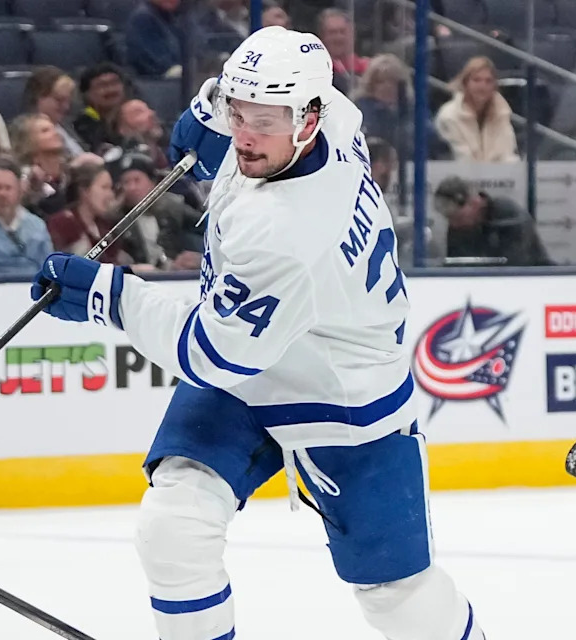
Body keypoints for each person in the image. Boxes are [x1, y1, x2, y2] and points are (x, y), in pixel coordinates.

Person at [28, 27, 485, 640]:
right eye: (240, 113)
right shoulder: (335, 117)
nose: (244, 134)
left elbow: (212, 355)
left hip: (340, 393)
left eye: (263, 120)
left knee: (397, 596)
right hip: (260, 360)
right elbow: (235, 108)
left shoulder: (289, 236)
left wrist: (110, 295)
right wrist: (212, 108)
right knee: (173, 526)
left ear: (307, 119)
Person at [434, 174, 551, 267]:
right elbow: (455, 265)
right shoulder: (458, 227)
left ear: (475, 202)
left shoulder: (508, 215)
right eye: (449, 218)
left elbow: (516, 263)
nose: (454, 224)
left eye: (457, 217)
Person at [435, 56, 519, 163]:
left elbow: (507, 154)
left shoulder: (502, 113)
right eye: (476, 80)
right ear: (465, 83)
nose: (482, 86)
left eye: (488, 81)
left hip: (499, 177)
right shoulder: (449, 116)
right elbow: (461, 159)